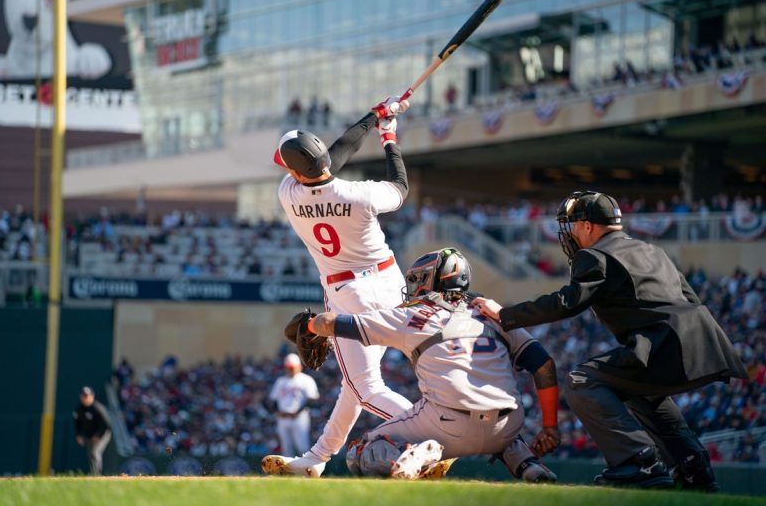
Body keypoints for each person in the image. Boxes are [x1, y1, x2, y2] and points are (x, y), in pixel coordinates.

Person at [472, 190, 748, 491]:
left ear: (588, 226)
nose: (571, 233)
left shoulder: (595, 255)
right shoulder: (652, 250)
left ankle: (638, 461)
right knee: (642, 393)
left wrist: (506, 314)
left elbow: (568, 302)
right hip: (705, 341)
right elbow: (689, 297)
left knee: (581, 380)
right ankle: (695, 469)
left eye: (574, 225)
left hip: (664, 342)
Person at [303, 248, 560, 480]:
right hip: (508, 426)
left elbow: (332, 323)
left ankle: (422, 454)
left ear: (431, 279)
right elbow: (544, 365)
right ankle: (529, 465)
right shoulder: (494, 314)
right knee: (494, 411)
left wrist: (309, 324)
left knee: (361, 451)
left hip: (447, 425)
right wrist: (549, 426)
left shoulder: (412, 315)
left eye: (416, 280)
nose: (413, 287)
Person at [261, 96, 417, 478]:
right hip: (392, 286)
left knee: (364, 387)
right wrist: (387, 133)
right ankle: (317, 457)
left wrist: (372, 119)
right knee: (355, 386)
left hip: (349, 295)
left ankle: (431, 432)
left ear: (296, 172)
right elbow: (399, 186)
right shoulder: (360, 194)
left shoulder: (289, 193)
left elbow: (333, 155)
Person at [267, 353, 320, 458]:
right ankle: (287, 472)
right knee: (286, 447)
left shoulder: (306, 379)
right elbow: (272, 400)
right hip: (283, 418)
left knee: (302, 447)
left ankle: (306, 470)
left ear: (299, 367)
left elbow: (312, 399)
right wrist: (277, 412)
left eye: (292, 368)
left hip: (299, 418)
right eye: (288, 368)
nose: (290, 370)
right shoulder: (281, 381)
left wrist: (298, 412)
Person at [73, 386, 112, 476]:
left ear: (92, 396)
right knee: (90, 454)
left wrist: (98, 435)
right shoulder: (79, 409)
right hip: (90, 434)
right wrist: (78, 435)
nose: (85, 398)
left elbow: (107, 425)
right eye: (84, 396)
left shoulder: (97, 408)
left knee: (95, 452)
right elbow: (77, 423)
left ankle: (97, 474)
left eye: (87, 396)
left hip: (103, 434)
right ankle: (93, 473)